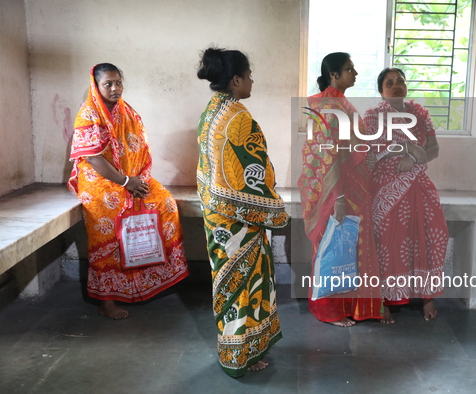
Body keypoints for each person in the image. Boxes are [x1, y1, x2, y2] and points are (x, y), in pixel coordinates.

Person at [67, 63, 189, 320]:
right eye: (107, 84)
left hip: (129, 176)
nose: (114, 88)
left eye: (118, 82)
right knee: (108, 222)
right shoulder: (88, 113)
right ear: (96, 86)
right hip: (99, 181)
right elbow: (94, 159)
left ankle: (145, 280)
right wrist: (126, 183)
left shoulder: (127, 112)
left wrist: (137, 181)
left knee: (164, 203)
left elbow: (139, 148)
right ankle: (106, 301)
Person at [196, 47, 290, 377]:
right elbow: (252, 172)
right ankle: (241, 356)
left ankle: (240, 350)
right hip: (240, 220)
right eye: (248, 75)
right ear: (236, 80)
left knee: (228, 286)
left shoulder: (210, 112)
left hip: (217, 219)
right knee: (245, 287)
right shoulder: (238, 118)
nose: (251, 81)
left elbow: (208, 170)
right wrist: (274, 210)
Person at [298, 52, 383, 327]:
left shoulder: (340, 103)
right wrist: (339, 199)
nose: (355, 73)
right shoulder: (327, 106)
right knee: (334, 246)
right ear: (334, 74)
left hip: (356, 188)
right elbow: (326, 158)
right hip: (340, 191)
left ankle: (352, 307)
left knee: (350, 248)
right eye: (350, 68)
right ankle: (330, 310)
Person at [363, 67, 449, 322]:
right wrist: (405, 147)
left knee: (431, 233)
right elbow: (369, 152)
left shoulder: (420, 113)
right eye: (390, 82)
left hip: (418, 181)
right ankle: (383, 300)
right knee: (388, 239)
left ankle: (427, 296)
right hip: (386, 184)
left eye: (400, 80)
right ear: (381, 91)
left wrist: (412, 156)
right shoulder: (373, 116)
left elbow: (432, 149)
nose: (397, 85)